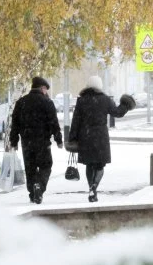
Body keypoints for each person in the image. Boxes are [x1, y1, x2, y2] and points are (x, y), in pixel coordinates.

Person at [68, 76, 136, 202]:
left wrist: (72, 138)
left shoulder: (81, 100)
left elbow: (76, 121)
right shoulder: (105, 100)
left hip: (85, 137)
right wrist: (126, 103)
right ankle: (94, 187)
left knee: (89, 164)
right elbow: (117, 112)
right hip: (100, 137)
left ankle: (90, 188)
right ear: (100, 86)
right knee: (100, 165)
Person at [8, 76, 63, 204]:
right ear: (42, 88)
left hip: (27, 142)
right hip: (43, 142)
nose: (46, 92)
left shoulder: (21, 102)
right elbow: (54, 122)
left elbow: (15, 123)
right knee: (46, 166)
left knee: (30, 168)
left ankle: (33, 193)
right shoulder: (47, 102)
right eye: (46, 90)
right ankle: (39, 186)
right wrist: (58, 139)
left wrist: (14, 141)